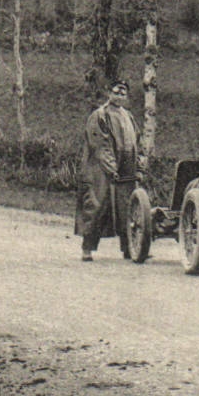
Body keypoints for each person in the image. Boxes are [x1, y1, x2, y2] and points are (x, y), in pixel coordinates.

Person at [76, 79, 140, 261]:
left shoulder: (128, 116)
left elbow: (137, 141)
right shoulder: (100, 115)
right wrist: (111, 168)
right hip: (101, 168)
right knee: (97, 205)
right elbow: (100, 145)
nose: (119, 96)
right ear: (109, 94)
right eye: (116, 92)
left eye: (123, 93)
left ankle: (129, 248)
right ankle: (87, 248)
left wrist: (138, 167)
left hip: (126, 164)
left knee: (127, 207)